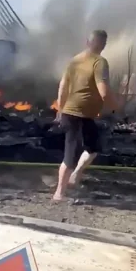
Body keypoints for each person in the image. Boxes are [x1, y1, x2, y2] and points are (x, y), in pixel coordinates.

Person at [53, 30, 120, 202]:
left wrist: (60, 110)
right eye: (104, 43)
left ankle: (75, 176)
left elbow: (62, 87)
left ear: (87, 42)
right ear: (102, 44)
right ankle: (59, 194)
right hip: (78, 114)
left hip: (75, 113)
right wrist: (116, 107)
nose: (104, 46)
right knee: (71, 154)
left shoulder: (74, 60)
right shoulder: (99, 62)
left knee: (93, 148)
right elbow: (103, 91)